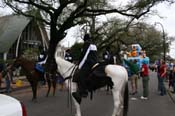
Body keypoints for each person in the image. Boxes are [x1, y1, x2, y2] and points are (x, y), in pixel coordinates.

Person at [72, 34, 98, 103]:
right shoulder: (93, 45)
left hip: (89, 63)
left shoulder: (87, 44)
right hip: (95, 62)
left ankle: (84, 92)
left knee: (81, 74)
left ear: (85, 39)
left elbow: (84, 55)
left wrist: (79, 64)